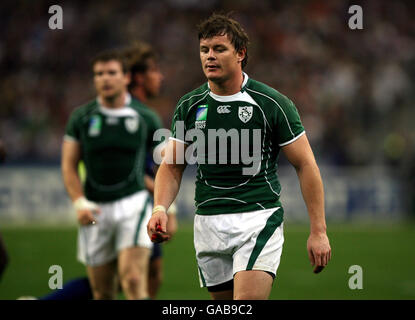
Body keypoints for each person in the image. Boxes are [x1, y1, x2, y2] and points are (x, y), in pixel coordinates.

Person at [148, 13, 331, 300]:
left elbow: (305, 164)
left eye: (219, 49)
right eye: (204, 49)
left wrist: (318, 231)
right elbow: (172, 166)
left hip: (257, 219)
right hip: (207, 221)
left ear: (240, 54)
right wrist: (159, 207)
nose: (210, 56)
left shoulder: (272, 103)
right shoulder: (189, 105)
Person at [62, 49, 163, 300]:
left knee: (133, 279)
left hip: (134, 204)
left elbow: (166, 166)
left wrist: (165, 208)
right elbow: (68, 165)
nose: (105, 78)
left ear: (126, 77)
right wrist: (79, 202)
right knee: (103, 291)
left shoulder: (147, 118)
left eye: (111, 73)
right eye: (99, 74)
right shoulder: (81, 117)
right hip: (95, 209)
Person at [123, 41, 178, 299]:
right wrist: (167, 208)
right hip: (126, 208)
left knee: (147, 273)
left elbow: (160, 166)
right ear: (138, 78)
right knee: (133, 276)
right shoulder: (136, 116)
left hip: (139, 206)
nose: (160, 76)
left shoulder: (143, 114)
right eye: (154, 71)